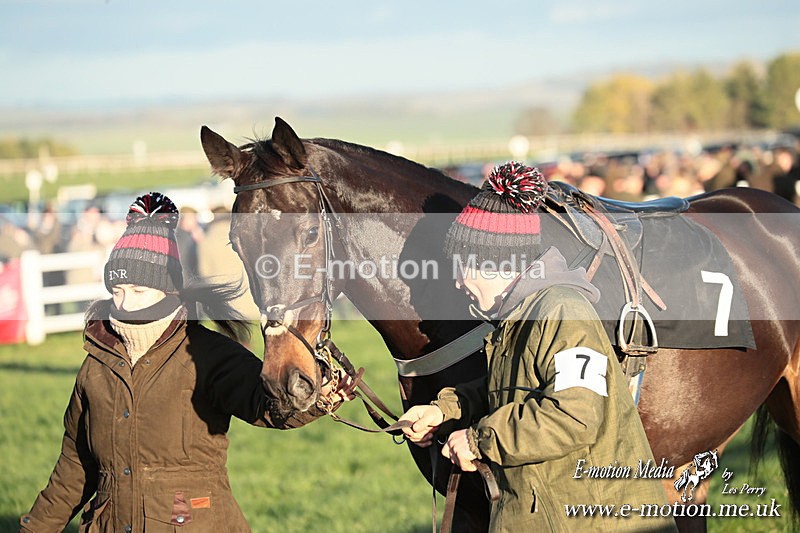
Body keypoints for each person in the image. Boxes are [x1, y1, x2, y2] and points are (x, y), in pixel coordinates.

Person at [20, 193, 350, 532]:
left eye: (138, 291)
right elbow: (75, 463)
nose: (124, 305)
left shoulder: (207, 354)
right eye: (117, 290)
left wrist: (315, 396)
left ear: (169, 290)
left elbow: (264, 404)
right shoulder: (95, 366)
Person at [399, 162, 677, 532]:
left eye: (462, 266)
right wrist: (445, 411)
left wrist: (479, 441)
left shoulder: (563, 311)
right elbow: (510, 390)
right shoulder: (520, 315)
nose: (458, 281)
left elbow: (573, 415)